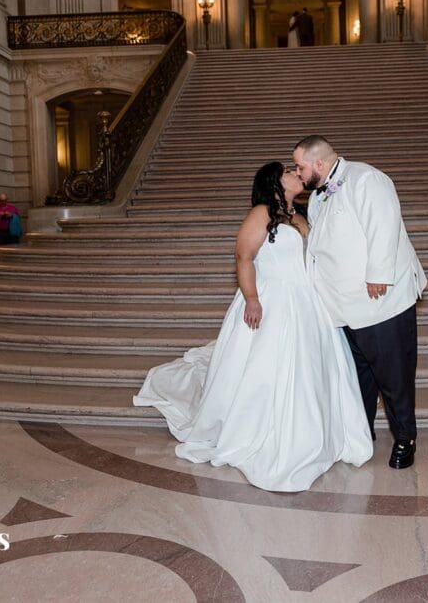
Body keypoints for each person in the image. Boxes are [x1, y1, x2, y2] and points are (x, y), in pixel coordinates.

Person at [134, 162, 373, 492]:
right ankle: (261, 432)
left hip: (309, 304)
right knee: (266, 369)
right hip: (272, 299)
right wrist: (252, 298)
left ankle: (313, 433)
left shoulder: (303, 216)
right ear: (274, 181)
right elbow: (243, 257)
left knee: (311, 371)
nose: (296, 173)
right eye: (289, 171)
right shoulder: (262, 213)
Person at [293, 135, 427, 469]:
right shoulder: (319, 196)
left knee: (393, 376)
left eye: (300, 166)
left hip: (380, 301)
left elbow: (384, 224)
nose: (298, 172)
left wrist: (379, 274)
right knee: (359, 378)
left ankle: (405, 439)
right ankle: (361, 432)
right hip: (343, 307)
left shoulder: (366, 178)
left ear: (319, 163)